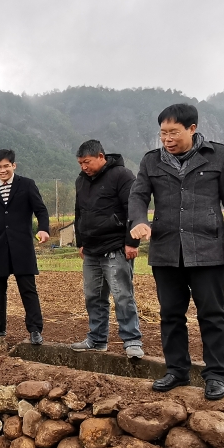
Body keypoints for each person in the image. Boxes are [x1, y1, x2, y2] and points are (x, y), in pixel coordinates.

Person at [128, 104, 224, 401]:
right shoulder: (151, 161)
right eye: (163, 133)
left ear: (192, 129)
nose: (167, 139)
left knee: (212, 314)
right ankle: (177, 369)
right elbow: (138, 195)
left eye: (174, 132)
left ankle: (216, 374)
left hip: (207, 248)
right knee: (170, 314)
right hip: (166, 250)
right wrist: (140, 220)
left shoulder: (217, 155)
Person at [70, 140, 144, 358]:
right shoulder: (81, 181)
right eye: (80, 163)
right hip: (91, 250)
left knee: (122, 296)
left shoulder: (122, 176)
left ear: (101, 157)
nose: (83, 167)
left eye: (87, 162)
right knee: (93, 296)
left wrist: (132, 242)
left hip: (115, 247)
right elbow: (79, 213)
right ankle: (97, 339)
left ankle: (132, 340)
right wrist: (81, 242)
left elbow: (134, 209)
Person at [0, 149, 52, 344]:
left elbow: (41, 210)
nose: (2, 170)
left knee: (28, 289)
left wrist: (44, 229)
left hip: (22, 246)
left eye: (6, 166)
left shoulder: (26, 185)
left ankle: (35, 329)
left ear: (14, 166)